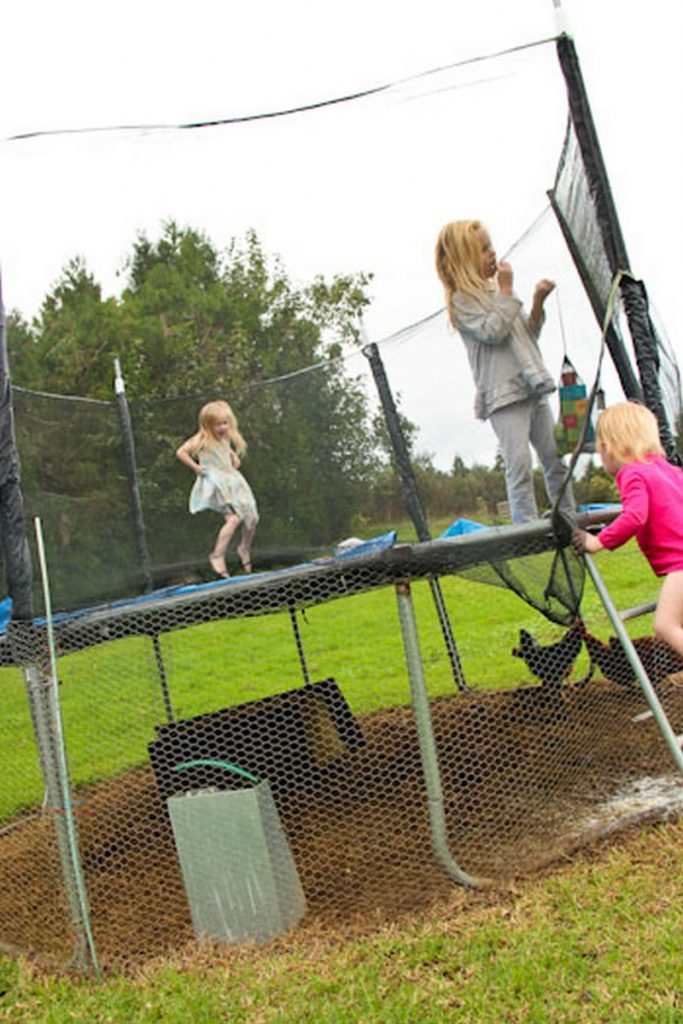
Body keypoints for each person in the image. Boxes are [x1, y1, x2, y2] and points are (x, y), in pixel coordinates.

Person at [435, 219, 574, 523]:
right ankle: (527, 527)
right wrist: (508, 291)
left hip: (531, 385)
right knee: (520, 464)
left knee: (554, 458)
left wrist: (537, 300)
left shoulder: (497, 292)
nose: (492, 253)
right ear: (464, 260)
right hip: (504, 396)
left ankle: (568, 517)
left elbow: (528, 333)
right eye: (483, 250)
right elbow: (493, 331)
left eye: (490, 246)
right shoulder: (463, 302)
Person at [573, 401, 683, 660]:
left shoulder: (632, 473)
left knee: (665, 626)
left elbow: (634, 516)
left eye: (601, 451)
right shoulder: (671, 471)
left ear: (610, 448)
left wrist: (598, 541)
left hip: (681, 563)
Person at [176, 400, 259, 577]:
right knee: (234, 519)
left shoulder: (226, 437)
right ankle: (217, 555)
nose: (222, 427)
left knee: (252, 517)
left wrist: (234, 456)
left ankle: (244, 548)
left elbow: (226, 451)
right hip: (216, 482)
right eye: (217, 424)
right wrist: (196, 467)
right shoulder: (202, 439)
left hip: (232, 481)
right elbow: (181, 452)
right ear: (207, 426)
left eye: (225, 423)